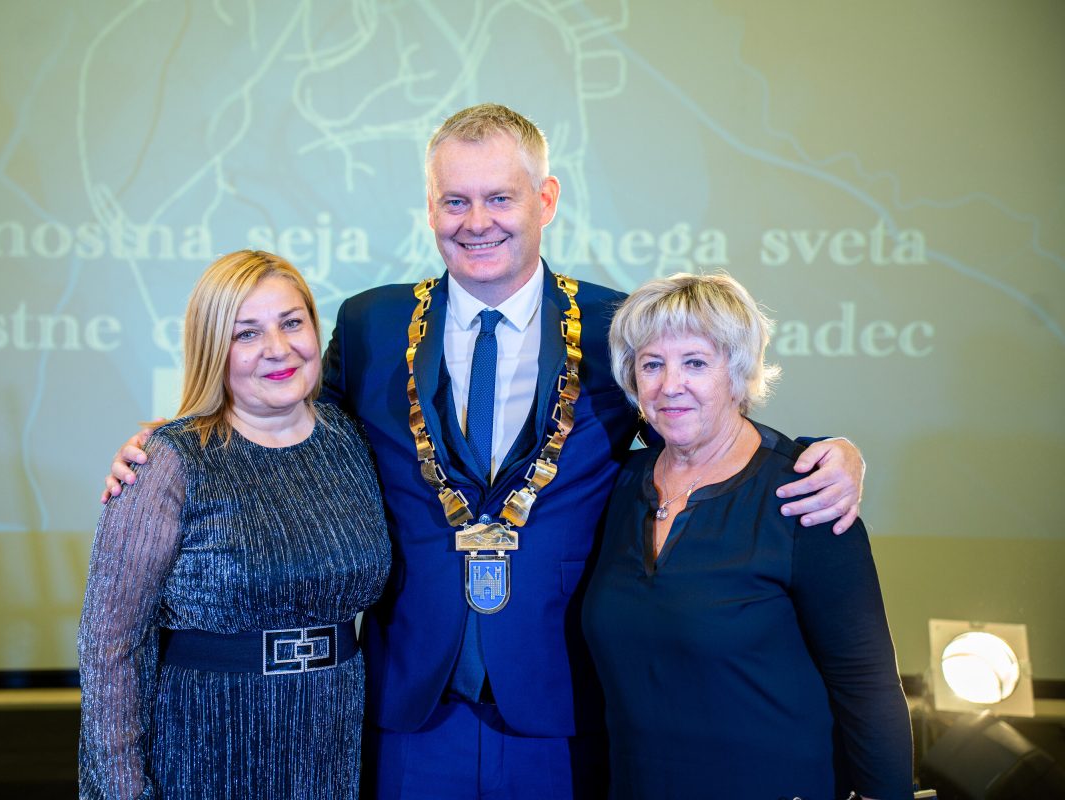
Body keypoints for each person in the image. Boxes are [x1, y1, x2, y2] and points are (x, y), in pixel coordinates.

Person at [102, 104, 866, 799]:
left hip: (560, 707)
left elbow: (698, 420)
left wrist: (823, 452)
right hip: (407, 711)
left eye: (500, 198)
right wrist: (176, 442)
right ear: (430, 207)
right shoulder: (371, 325)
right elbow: (293, 428)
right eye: (454, 201)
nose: (477, 222)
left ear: (546, 199)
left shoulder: (615, 327)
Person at [582, 273, 912, 799]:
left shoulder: (807, 496)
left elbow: (865, 680)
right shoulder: (617, 486)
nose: (670, 385)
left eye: (695, 363)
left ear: (737, 373)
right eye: (652, 364)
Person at [78, 251, 391, 799]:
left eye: (292, 322)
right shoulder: (169, 461)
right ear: (212, 349)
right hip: (207, 744)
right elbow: (110, 646)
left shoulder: (352, 439)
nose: (278, 348)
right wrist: (122, 790)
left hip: (335, 740)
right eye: (247, 333)